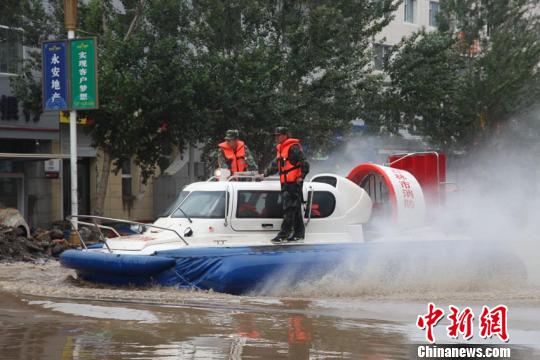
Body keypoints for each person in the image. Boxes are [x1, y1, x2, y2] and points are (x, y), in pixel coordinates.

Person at [264, 126, 309, 242]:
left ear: (285, 135)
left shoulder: (293, 148)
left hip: (293, 184)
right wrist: (264, 174)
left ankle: (283, 235)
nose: (276, 137)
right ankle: (299, 234)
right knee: (296, 210)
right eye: (276, 135)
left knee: (289, 209)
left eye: (278, 135)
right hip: (286, 184)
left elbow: (305, 163)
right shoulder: (281, 149)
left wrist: (301, 176)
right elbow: (275, 165)